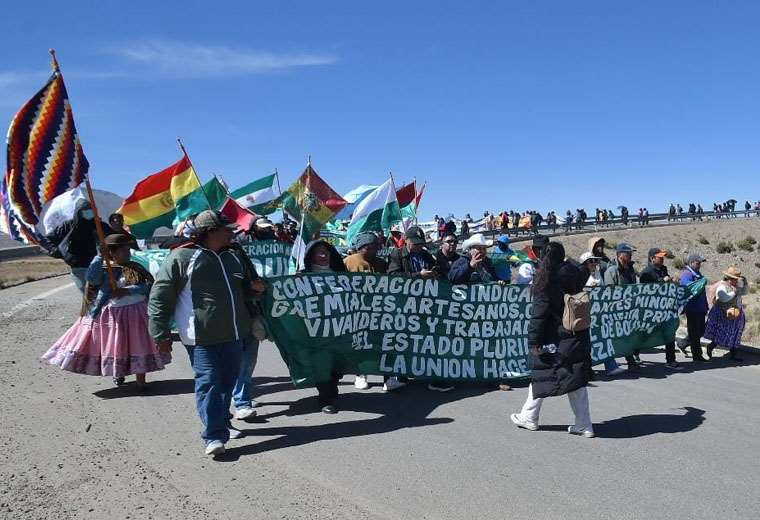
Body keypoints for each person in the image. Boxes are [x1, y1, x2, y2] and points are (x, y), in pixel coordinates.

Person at [149, 210, 257, 456]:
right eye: (226, 229)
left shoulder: (234, 257)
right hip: (200, 338)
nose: (232, 232)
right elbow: (160, 297)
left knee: (227, 384)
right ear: (210, 232)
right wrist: (160, 334)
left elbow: (243, 291)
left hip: (235, 334)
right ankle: (214, 436)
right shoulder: (182, 257)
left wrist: (255, 290)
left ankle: (221, 422)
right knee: (209, 383)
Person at [42, 234, 169, 389]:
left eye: (128, 250)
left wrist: (128, 290)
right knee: (118, 345)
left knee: (139, 345)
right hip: (114, 315)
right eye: (123, 251)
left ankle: (141, 380)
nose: (127, 254)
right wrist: (98, 257)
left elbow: (149, 286)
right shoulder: (103, 268)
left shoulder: (136, 267)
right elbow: (92, 279)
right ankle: (119, 372)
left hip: (137, 312)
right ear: (112, 253)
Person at [510, 242, 594, 438]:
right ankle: (584, 424)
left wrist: (533, 342)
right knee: (575, 380)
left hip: (555, 339)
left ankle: (529, 418)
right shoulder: (575, 274)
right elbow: (582, 269)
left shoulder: (545, 281)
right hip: (577, 335)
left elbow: (538, 316)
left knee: (542, 375)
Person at [299, 239, 350, 413]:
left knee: (338, 363)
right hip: (317, 330)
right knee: (322, 364)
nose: (323, 255)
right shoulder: (303, 277)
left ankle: (331, 387)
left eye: (326, 252)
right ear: (310, 256)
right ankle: (325, 398)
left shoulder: (341, 275)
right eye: (318, 252)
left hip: (341, 328)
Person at [344, 231, 388, 391]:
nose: (373, 251)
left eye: (375, 247)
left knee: (382, 344)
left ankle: (388, 377)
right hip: (357, 311)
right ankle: (360, 375)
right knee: (361, 344)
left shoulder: (382, 263)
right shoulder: (348, 262)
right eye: (369, 248)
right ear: (361, 247)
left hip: (379, 310)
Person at [44, 202, 113, 293]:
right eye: (86, 211)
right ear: (79, 212)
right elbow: (47, 241)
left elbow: (114, 238)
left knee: (104, 295)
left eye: (91, 211)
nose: (89, 213)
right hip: (79, 268)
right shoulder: (68, 226)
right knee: (89, 297)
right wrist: (56, 251)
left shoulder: (99, 225)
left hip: (100, 265)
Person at [639, 248, 683, 370]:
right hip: (651, 309)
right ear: (652, 258)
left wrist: (673, 281)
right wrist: (660, 281)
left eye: (663, 257)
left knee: (669, 332)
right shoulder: (646, 272)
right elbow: (644, 290)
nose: (662, 259)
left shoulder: (663, 269)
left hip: (665, 308)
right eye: (659, 257)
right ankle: (635, 353)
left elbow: (667, 282)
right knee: (645, 333)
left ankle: (671, 360)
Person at [603, 243, 642, 371]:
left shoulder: (630, 269)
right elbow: (609, 292)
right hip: (617, 310)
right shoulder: (612, 271)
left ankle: (630, 359)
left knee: (628, 336)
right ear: (620, 255)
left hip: (629, 310)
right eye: (628, 253)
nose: (630, 255)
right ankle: (611, 363)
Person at [704, 267, 748, 362]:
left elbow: (744, 292)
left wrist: (745, 283)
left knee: (736, 333)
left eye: (736, 279)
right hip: (724, 313)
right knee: (721, 333)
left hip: (736, 313)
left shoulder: (736, 287)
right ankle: (711, 347)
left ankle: (733, 354)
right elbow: (724, 298)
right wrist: (734, 292)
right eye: (734, 279)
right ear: (728, 278)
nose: (736, 281)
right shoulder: (722, 286)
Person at [680, 253, 710, 362]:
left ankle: (682, 343)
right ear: (691, 262)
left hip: (700, 308)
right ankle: (697, 355)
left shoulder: (697, 273)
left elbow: (702, 292)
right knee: (694, 332)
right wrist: (701, 283)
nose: (700, 265)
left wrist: (705, 306)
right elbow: (688, 288)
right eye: (698, 262)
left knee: (701, 331)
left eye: (700, 263)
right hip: (692, 308)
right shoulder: (687, 274)